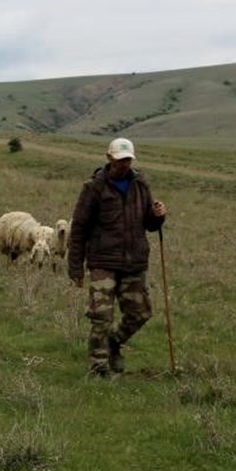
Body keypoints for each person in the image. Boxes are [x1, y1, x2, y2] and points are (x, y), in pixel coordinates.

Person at [67, 137, 167, 377]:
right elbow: (79, 228)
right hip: (103, 261)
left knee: (140, 313)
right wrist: (76, 269)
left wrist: (158, 216)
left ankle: (113, 343)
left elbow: (149, 224)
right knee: (101, 317)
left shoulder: (140, 184)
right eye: (120, 160)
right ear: (109, 158)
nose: (124, 165)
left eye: (128, 160)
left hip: (134, 261)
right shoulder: (93, 188)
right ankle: (98, 368)